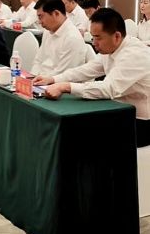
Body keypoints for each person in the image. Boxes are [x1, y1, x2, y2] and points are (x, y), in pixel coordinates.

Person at [34, 8, 150, 147]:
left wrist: (66, 87)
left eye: (98, 37)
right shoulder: (111, 48)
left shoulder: (133, 54)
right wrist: (53, 79)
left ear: (117, 36)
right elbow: (87, 70)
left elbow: (109, 89)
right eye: (93, 37)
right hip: (119, 110)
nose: (94, 43)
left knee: (81, 134)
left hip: (140, 123)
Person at [30, 0, 87, 76]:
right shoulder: (47, 31)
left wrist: (38, 80)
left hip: (56, 82)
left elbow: (63, 75)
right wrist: (32, 77)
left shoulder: (72, 38)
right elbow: (38, 60)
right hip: (41, 79)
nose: (39, 22)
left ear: (56, 13)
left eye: (41, 16)